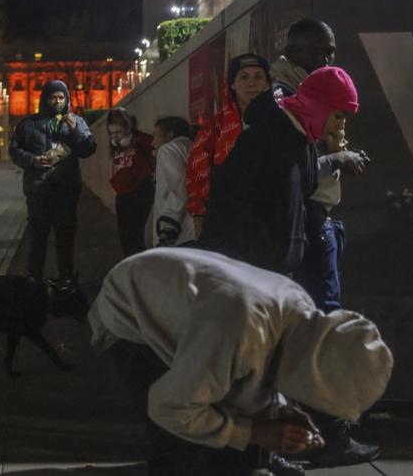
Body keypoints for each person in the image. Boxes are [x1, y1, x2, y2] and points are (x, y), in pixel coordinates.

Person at [89, 247, 393, 476]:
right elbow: (168, 406)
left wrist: (282, 412)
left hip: (189, 305)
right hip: (132, 307)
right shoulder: (240, 329)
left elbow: (268, 367)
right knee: (179, 447)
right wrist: (258, 432)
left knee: (227, 432)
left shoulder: (299, 315)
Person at [201, 67, 359, 279]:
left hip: (268, 273)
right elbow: (232, 203)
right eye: (338, 115)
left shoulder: (303, 141)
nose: (341, 124)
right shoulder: (270, 136)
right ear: (319, 106)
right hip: (245, 273)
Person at [272, 19, 369, 312]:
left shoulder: (306, 89)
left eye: (330, 52)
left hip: (315, 213)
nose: (325, 60)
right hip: (303, 216)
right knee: (320, 309)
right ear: (291, 51)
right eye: (316, 53)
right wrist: (338, 158)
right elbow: (289, 166)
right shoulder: (282, 97)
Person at [9, 81, 97, 281]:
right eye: (53, 97)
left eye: (61, 97)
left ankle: (65, 282)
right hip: (38, 191)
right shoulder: (29, 123)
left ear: (66, 99)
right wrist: (33, 160)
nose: (57, 101)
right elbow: (14, 150)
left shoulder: (77, 122)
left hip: (66, 190)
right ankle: (33, 284)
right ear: (45, 99)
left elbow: (89, 149)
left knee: (65, 240)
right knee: (37, 240)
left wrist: (75, 131)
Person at [185, 53, 273, 238]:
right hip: (225, 226)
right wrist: (199, 223)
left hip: (269, 224)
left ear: (267, 83)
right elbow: (197, 179)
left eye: (258, 76)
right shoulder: (214, 129)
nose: (252, 83)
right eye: (244, 77)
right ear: (231, 84)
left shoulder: (282, 122)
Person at [107, 108, 156, 257]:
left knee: (136, 232)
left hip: (140, 191)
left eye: (118, 132)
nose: (115, 137)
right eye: (112, 133)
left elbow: (157, 151)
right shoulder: (116, 146)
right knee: (124, 233)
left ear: (128, 128)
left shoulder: (142, 140)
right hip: (122, 193)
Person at [148, 117, 194, 247]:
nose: (152, 142)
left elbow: (179, 188)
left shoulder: (167, 150)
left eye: (155, 136)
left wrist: (167, 230)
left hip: (179, 235)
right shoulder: (192, 147)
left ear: (170, 135)